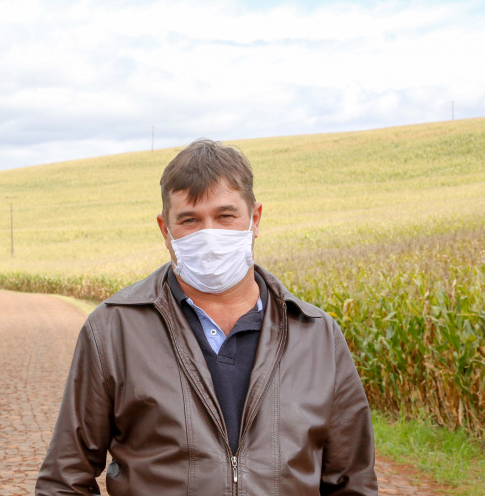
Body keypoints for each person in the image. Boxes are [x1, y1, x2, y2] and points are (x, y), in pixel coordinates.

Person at [35, 139, 377, 495]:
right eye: (190, 220)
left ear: (255, 219)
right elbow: (64, 479)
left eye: (225, 216)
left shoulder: (317, 335)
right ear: (165, 230)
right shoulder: (113, 329)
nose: (209, 235)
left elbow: (352, 480)